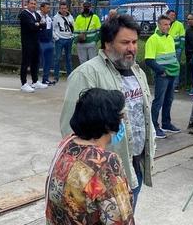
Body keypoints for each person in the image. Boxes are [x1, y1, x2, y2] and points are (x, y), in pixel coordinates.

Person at [60, 14, 154, 210]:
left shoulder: (138, 72)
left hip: (134, 164)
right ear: (108, 44)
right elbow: (70, 128)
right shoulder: (86, 74)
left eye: (135, 42)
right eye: (125, 42)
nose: (132, 48)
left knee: (127, 213)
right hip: (101, 172)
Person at [47, 88, 134, 224]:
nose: (121, 122)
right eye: (120, 117)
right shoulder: (105, 162)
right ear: (108, 123)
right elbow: (120, 217)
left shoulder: (67, 144)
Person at [145, 14, 181, 138]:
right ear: (159, 25)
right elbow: (149, 60)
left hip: (172, 74)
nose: (168, 27)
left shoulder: (170, 38)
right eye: (165, 24)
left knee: (169, 99)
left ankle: (166, 123)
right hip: (162, 75)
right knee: (158, 101)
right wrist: (161, 71)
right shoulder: (153, 39)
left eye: (169, 24)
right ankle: (154, 126)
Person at [19, 0, 46, 93]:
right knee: (25, 63)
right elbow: (31, 26)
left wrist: (37, 24)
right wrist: (38, 25)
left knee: (35, 62)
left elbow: (44, 25)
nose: (33, 5)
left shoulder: (36, 14)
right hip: (27, 42)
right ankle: (24, 84)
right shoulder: (24, 14)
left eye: (34, 4)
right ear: (27, 4)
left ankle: (35, 81)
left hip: (36, 41)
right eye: (31, 3)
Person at [52, 1, 74, 81]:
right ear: (59, 9)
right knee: (57, 58)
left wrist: (72, 36)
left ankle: (70, 76)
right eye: (62, 8)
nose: (63, 10)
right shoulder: (56, 17)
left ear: (67, 9)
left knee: (68, 58)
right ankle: (56, 76)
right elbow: (53, 29)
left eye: (65, 8)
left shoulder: (70, 17)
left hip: (69, 39)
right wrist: (56, 38)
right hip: (60, 40)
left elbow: (73, 28)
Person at [167, 10, 186, 92]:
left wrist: (181, 47)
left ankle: (175, 85)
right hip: (166, 49)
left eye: (174, 15)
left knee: (175, 66)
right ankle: (168, 84)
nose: (173, 17)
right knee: (167, 66)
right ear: (167, 15)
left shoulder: (179, 24)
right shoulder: (164, 23)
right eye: (171, 15)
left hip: (176, 49)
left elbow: (182, 36)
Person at [38, 2, 54, 85]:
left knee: (48, 62)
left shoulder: (49, 18)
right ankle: (35, 80)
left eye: (49, 7)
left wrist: (51, 41)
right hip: (41, 42)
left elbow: (51, 29)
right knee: (39, 61)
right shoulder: (37, 16)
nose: (49, 9)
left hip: (49, 42)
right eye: (47, 8)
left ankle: (45, 79)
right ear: (42, 8)